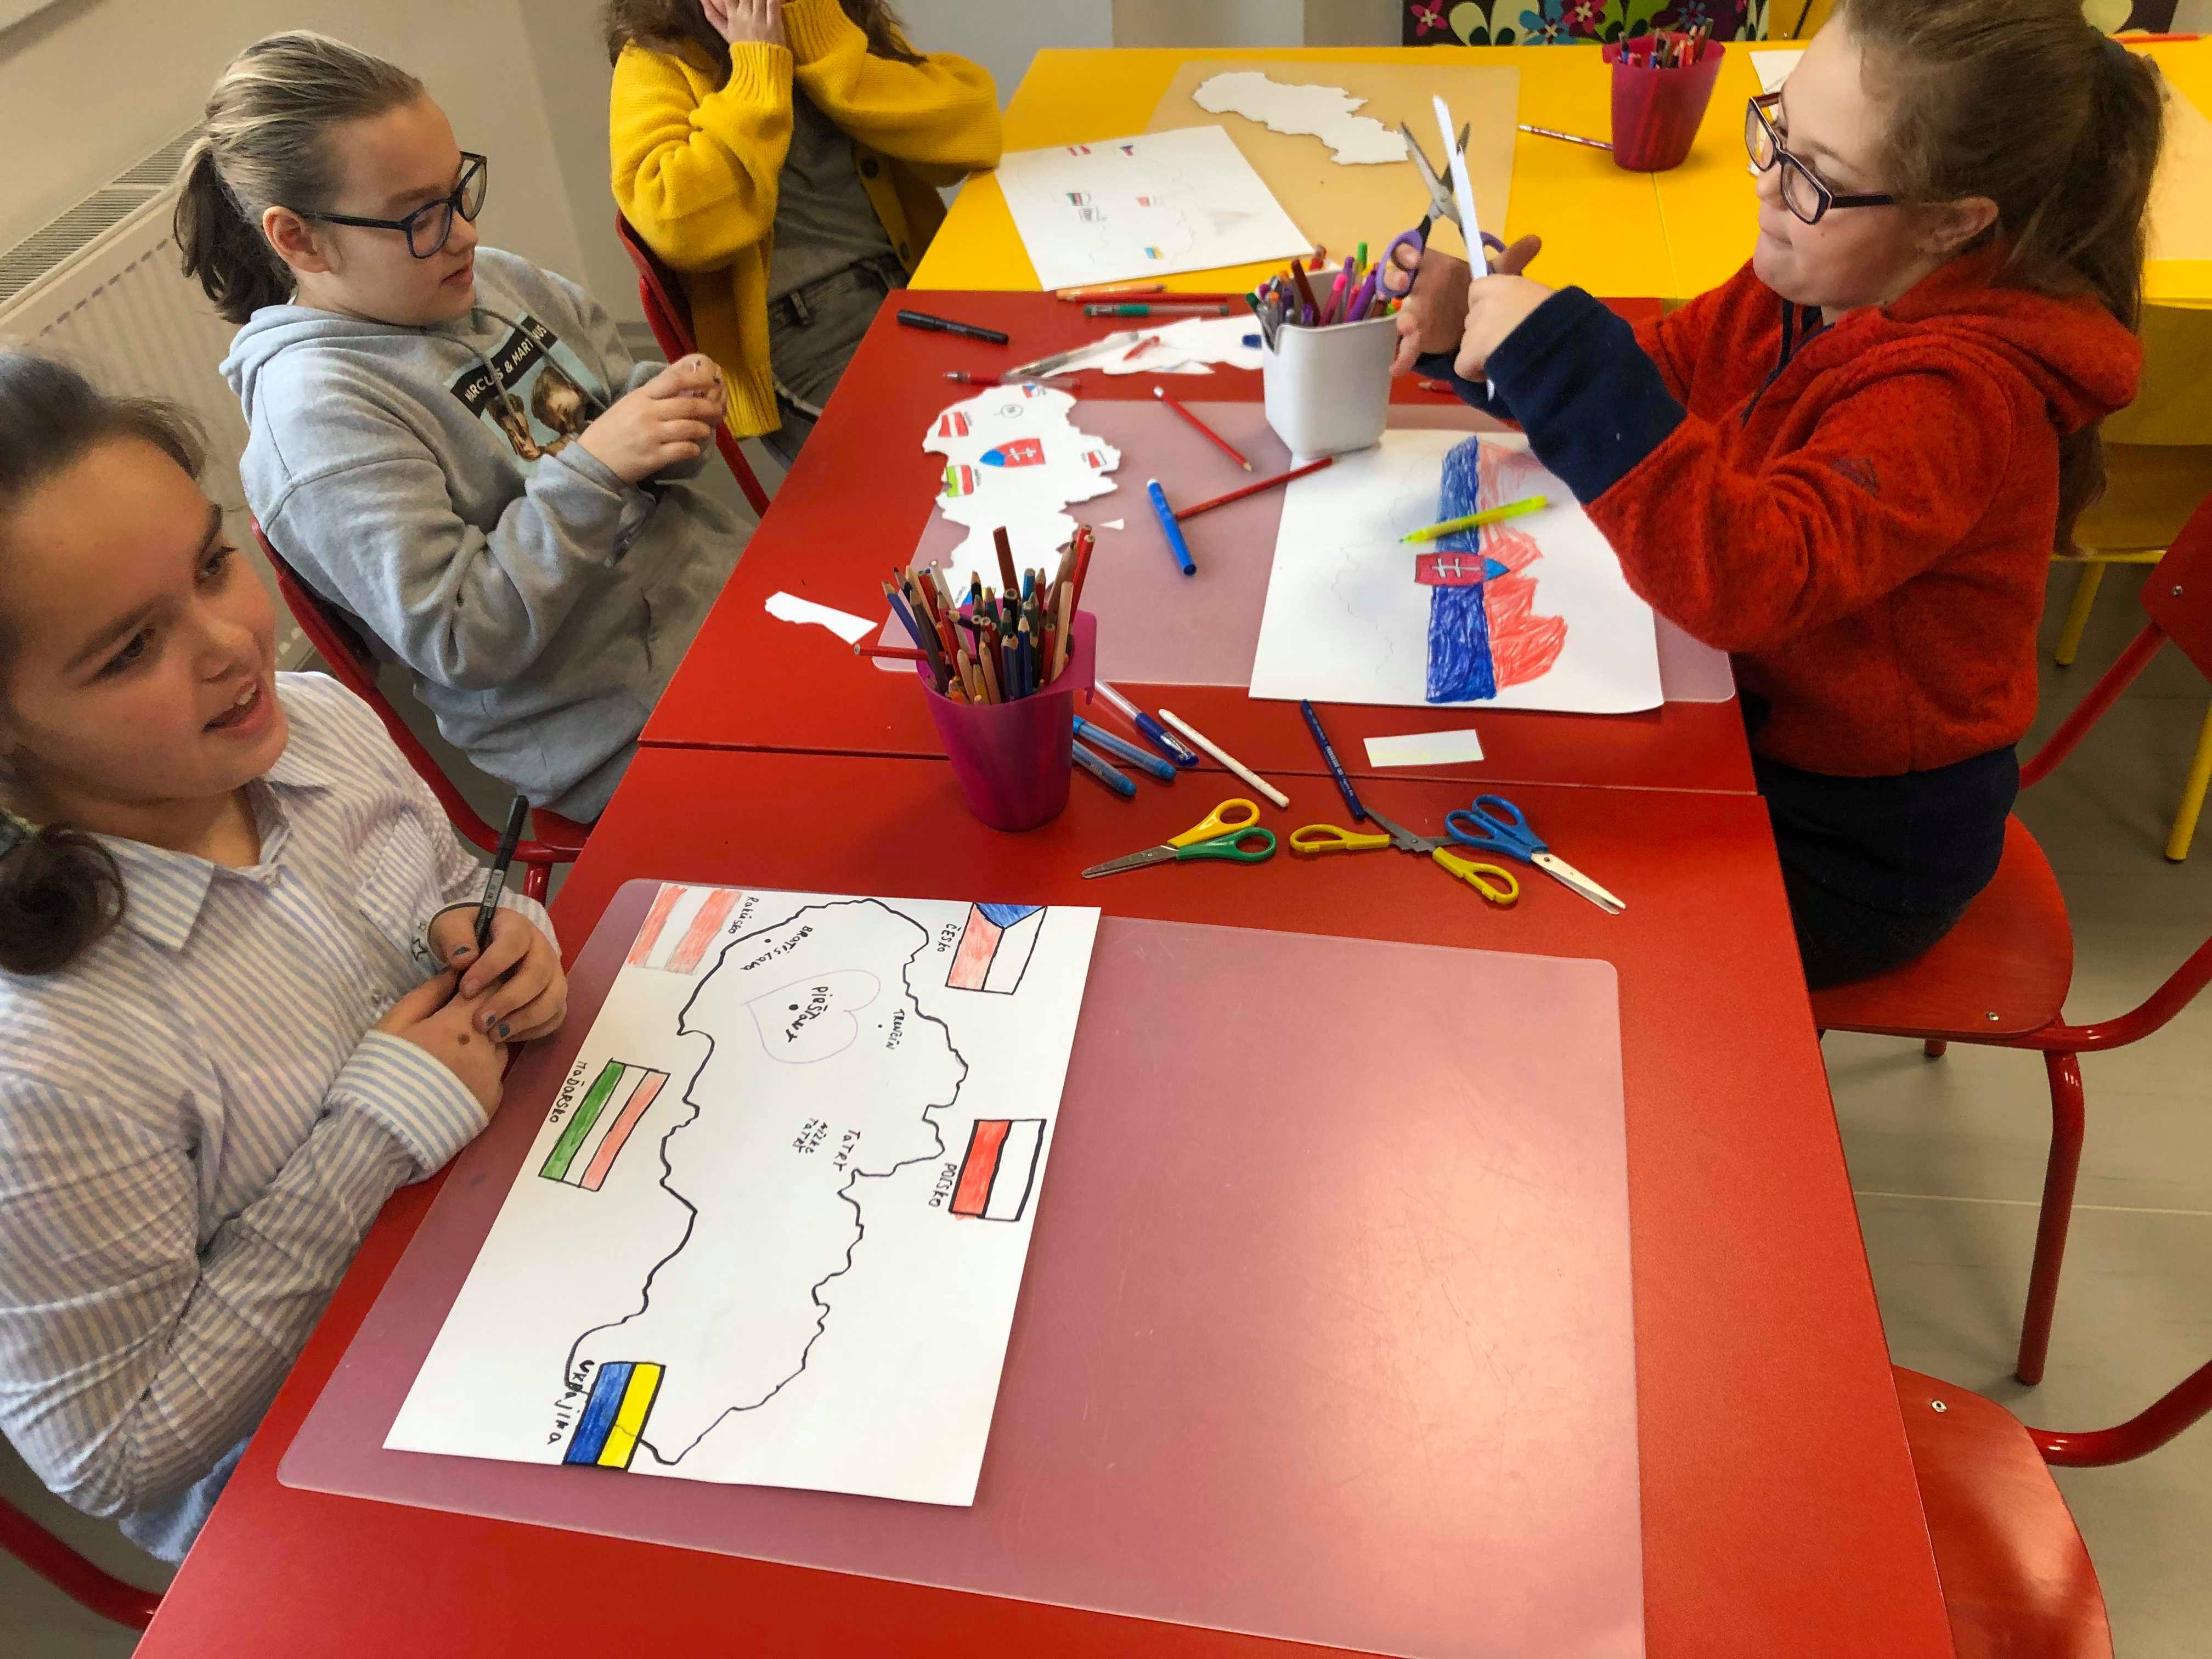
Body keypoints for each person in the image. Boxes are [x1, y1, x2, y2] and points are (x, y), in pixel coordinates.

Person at [1387, 0, 2159, 986]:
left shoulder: (1957, 397)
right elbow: (1657, 387)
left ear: (1954, 222)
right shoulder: (1816, 275)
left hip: (1856, 847)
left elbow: (1749, 579)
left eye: (1811, 175)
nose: (1765, 183)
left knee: (1512, 919)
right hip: (1744, 723)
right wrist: (1482, 338)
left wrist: (1563, 363)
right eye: (1777, 132)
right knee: (1474, 806)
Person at [0, 351, 567, 1559]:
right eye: (128, 651)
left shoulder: (316, 723)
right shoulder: (43, 1057)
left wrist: (513, 935)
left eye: (213, 565)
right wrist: (375, 1131)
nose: (232, 644)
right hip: (332, 1482)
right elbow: (116, 1452)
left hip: (531, 1239)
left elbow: (464, 881)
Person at [179, 31, 751, 823]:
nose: (465, 234)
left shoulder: (490, 280)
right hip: (614, 723)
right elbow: (459, 638)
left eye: (459, 192)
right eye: (419, 215)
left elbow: (615, 415)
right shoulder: (318, 419)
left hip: (720, 594)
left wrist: (665, 408)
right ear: (298, 239)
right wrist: (597, 469)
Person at [606, 0, 1001, 465]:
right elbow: (679, 227)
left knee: (1041, 411)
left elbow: (974, 130)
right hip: (801, 327)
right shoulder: (656, 54)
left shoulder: (821, 13)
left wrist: (823, 44)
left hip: (919, 280)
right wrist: (757, 73)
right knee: (949, 467)